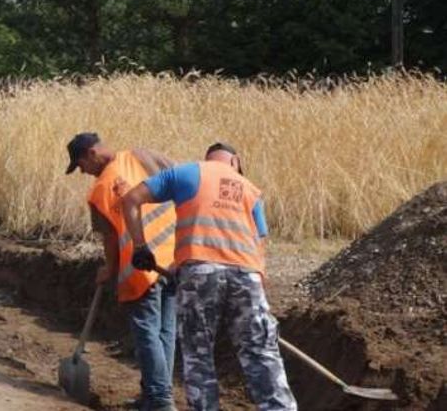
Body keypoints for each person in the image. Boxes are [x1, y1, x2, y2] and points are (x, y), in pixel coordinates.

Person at [120, 143, 297, 411]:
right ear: (235, 161)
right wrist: (259, 296)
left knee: (198, 355)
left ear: (208, 158)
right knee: (262, 353)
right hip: (248, 276)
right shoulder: (250, 189)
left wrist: (141, 246)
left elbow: (130, 199)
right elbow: (259, 244)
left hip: (200, 274)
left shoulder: (186, 173)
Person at [65, 132, 178, 411]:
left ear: (91, 154)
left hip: (141, 266)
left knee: (148, 332)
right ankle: (154, 396)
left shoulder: (100, 191)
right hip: (174, 259)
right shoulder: (143, 156)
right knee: (165, 332)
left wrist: (110, 269)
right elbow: (182, 184)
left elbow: (111, 238)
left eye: (81, 165)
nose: (83, 172)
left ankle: (160, 400)